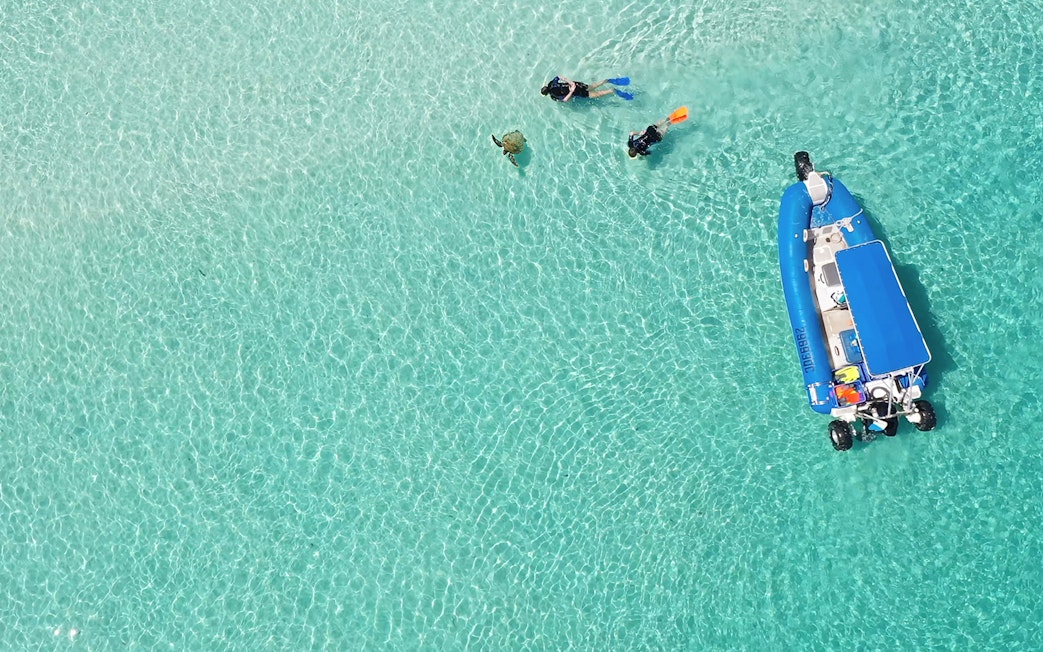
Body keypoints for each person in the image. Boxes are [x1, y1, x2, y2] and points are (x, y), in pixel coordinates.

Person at [540, 76, 616, 102]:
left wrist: (571, 92)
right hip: (576, 84)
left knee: (596, 94)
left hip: (576, 91)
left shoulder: (553, 96)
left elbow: (565, 100)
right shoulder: (551, 83)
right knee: (591, 87)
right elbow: (559, 77)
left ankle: (611, 90)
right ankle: (606, 81)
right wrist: (571, 83)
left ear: (547, 94)